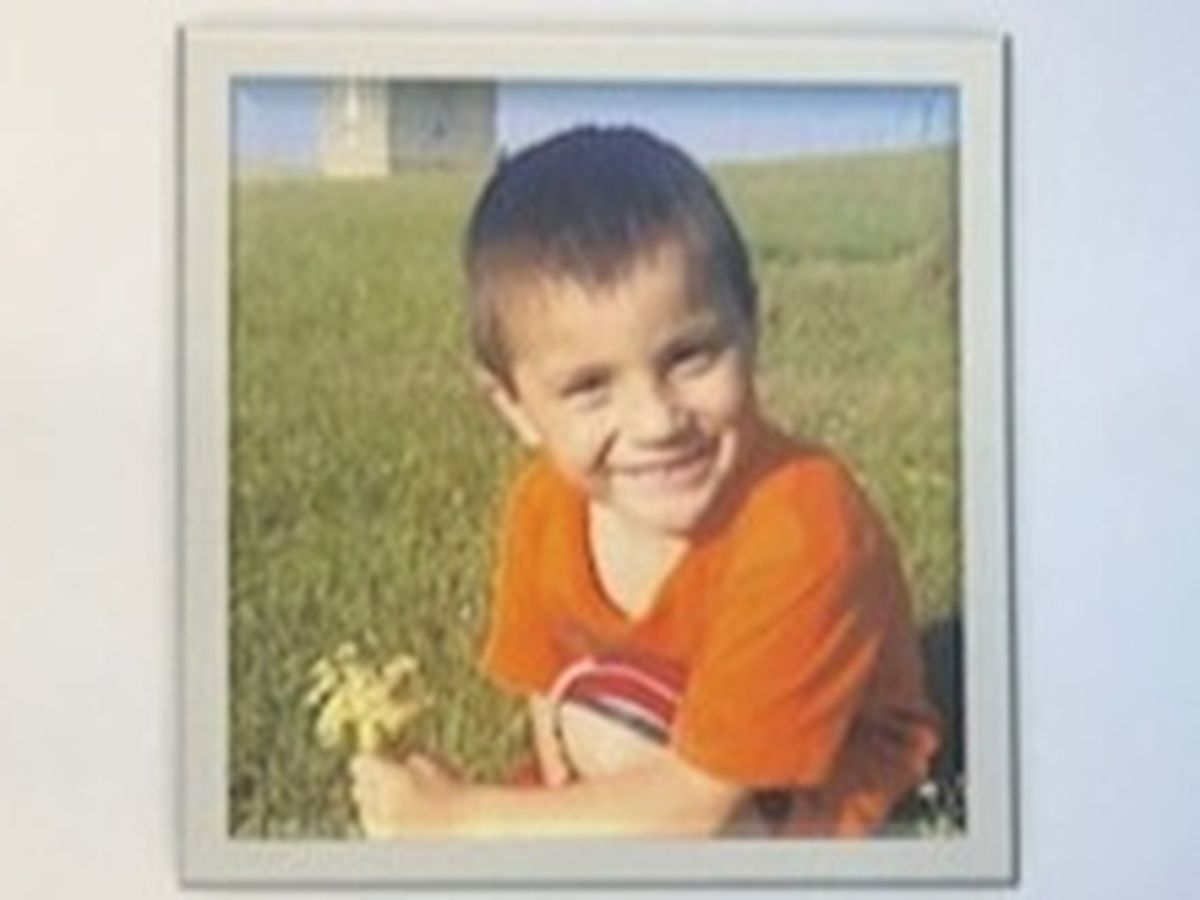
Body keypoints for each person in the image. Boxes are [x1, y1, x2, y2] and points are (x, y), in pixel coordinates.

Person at [349, 125, 940, 837]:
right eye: (589, 387)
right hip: (652, 736)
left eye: (690, 356)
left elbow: (701, 805)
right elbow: (548, 692)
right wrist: (545, 804)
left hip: (806, 780)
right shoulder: (544, 503)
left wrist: (462, 821)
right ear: (516, 408)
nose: (656, 421)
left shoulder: (804, 524)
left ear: (750, 327)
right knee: (591, 734)